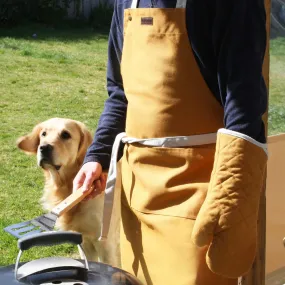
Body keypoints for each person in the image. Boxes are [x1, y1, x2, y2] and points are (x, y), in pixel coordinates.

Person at [73, 0, 268, 284]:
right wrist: (97, 157)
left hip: (198, 194)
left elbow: (245, 103)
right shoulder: (125, 3)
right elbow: (120, 94)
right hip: (138, 193)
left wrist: (232, 197)